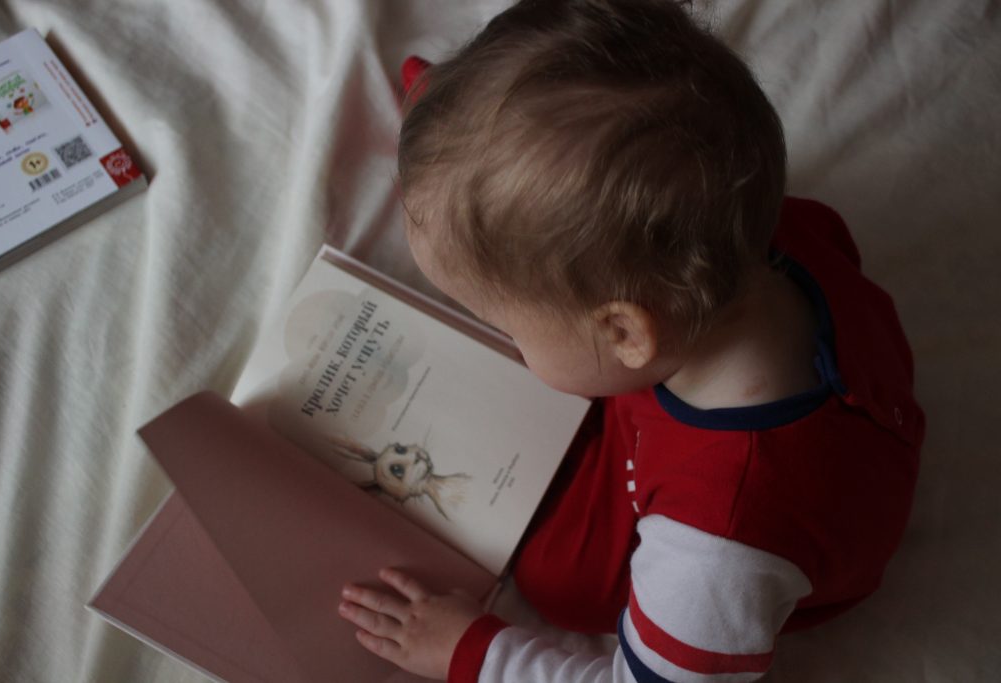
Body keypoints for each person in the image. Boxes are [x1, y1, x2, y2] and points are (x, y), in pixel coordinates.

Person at [337, 0, 924, 681]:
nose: (507, 343)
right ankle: (471, 136)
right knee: (512, 159)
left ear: (623, 332)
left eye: (510, 327)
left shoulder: (716, 548)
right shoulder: (738, 228)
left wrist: (473, 651)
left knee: (561, 575)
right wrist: (470, 134)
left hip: (771, 489)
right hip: (799, 381)